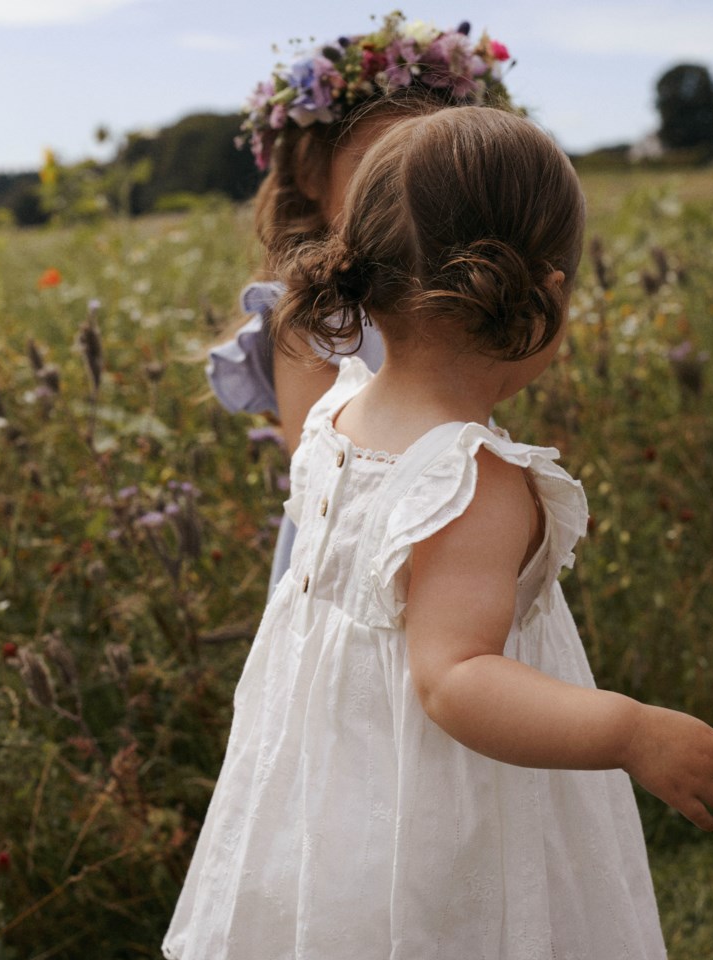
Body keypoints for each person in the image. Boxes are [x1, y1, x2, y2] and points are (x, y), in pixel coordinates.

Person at [163, 105, 713, 960]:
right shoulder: (472, 480)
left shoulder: (335, 419)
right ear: (545, 291)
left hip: (331, 800)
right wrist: (629, 731)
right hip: (437, 809)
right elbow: (456, 678)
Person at [206, 13, 516, 593]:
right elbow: (325, 472)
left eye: (438, 173)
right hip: (354, 568)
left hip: (461, 537)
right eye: (381, 169)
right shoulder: (314, 316)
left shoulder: (456, 293)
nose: (412, 197)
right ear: (312, 175)